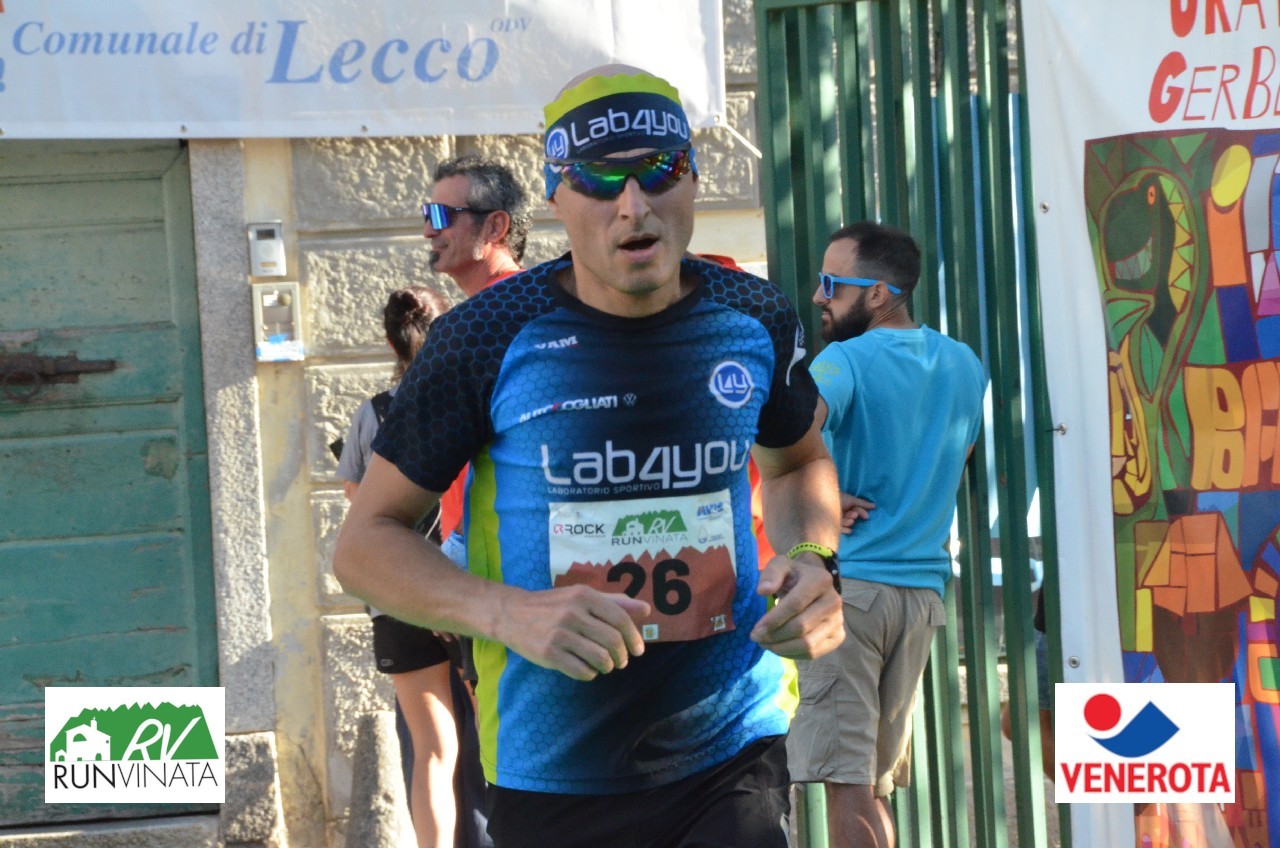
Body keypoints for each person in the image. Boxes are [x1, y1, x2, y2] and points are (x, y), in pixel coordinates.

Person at [334, 64, 847, 848]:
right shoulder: (485, 335)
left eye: (659, 171)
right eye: (601, 181)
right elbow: (363, 545)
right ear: (557, 199)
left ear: (693, 179)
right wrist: (503, 612)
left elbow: (797, 462)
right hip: (555, 766)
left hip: (732, 740)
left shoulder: (754, 314)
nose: (634, 205)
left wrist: (813, 558)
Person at [786, 222, 987, 848]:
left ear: (877, 294)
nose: (818, 297)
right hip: (921, 600)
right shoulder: (963, 364)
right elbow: (962, 456)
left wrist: (822, 489)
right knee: (871, 783)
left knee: (845, 782)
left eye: (831, 285)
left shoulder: (844, 360)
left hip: (854, 595)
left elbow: (790, 440)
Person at [336, 285, 466, 848]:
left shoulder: (372, 414)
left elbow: (360, 505)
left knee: (433, 750)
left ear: (391, 343)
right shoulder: (465, 400)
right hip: (463, 589)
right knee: (501, 738)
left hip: (394, 592)